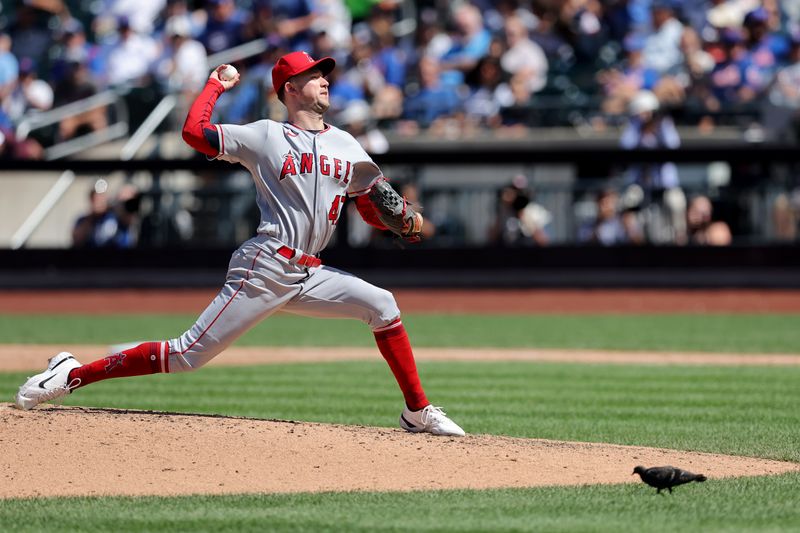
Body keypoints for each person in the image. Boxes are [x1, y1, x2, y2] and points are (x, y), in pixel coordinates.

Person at [15, 51, 464, 437]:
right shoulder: (267, 135)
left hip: (310, 273)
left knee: (383, 305)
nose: (325, 79)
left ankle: (417, 412)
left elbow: (369, 201)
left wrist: (400, 222)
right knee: (186, 355)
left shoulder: (347, 145)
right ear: (290, 87)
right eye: (314, 75)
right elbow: (195, 132)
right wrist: (214, 85)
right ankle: (70, 375)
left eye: (325, 74)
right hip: (266, 266)